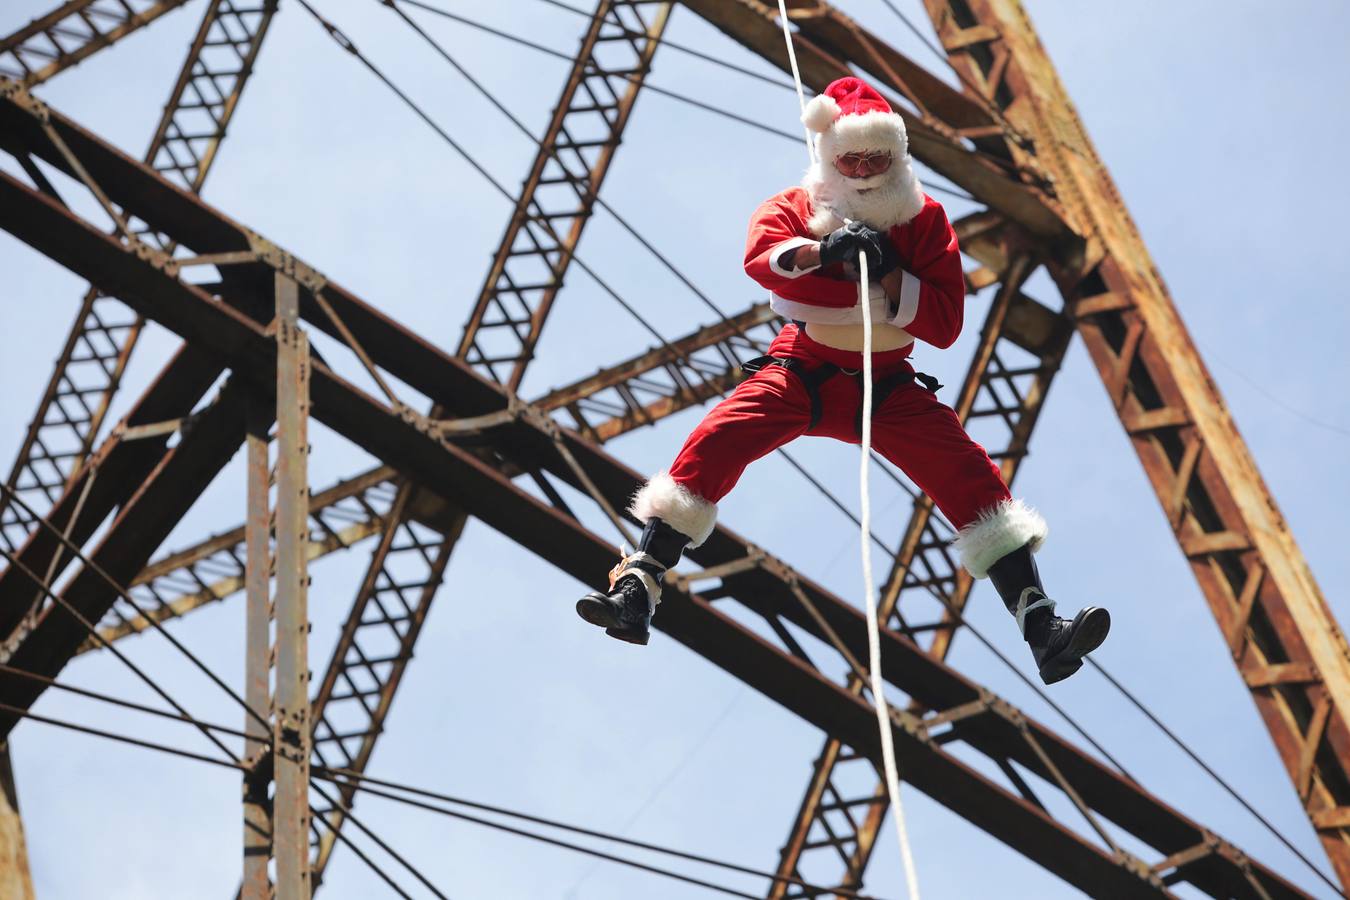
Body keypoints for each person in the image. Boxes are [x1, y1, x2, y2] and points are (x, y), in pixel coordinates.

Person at [576, 76, 1109, 684]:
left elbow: (945, 321)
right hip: (801, 366)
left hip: (887, 385)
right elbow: (763, 260)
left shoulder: (924, 220)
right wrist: (822, 252)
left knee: (969, 474)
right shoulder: (800, 207)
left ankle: (1042, 627)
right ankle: (639, 586)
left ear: (896, 156)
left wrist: (884, 279)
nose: (862, 170)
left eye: (875, 158)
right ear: (828, 157)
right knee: (716, 441)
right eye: (849, 158)